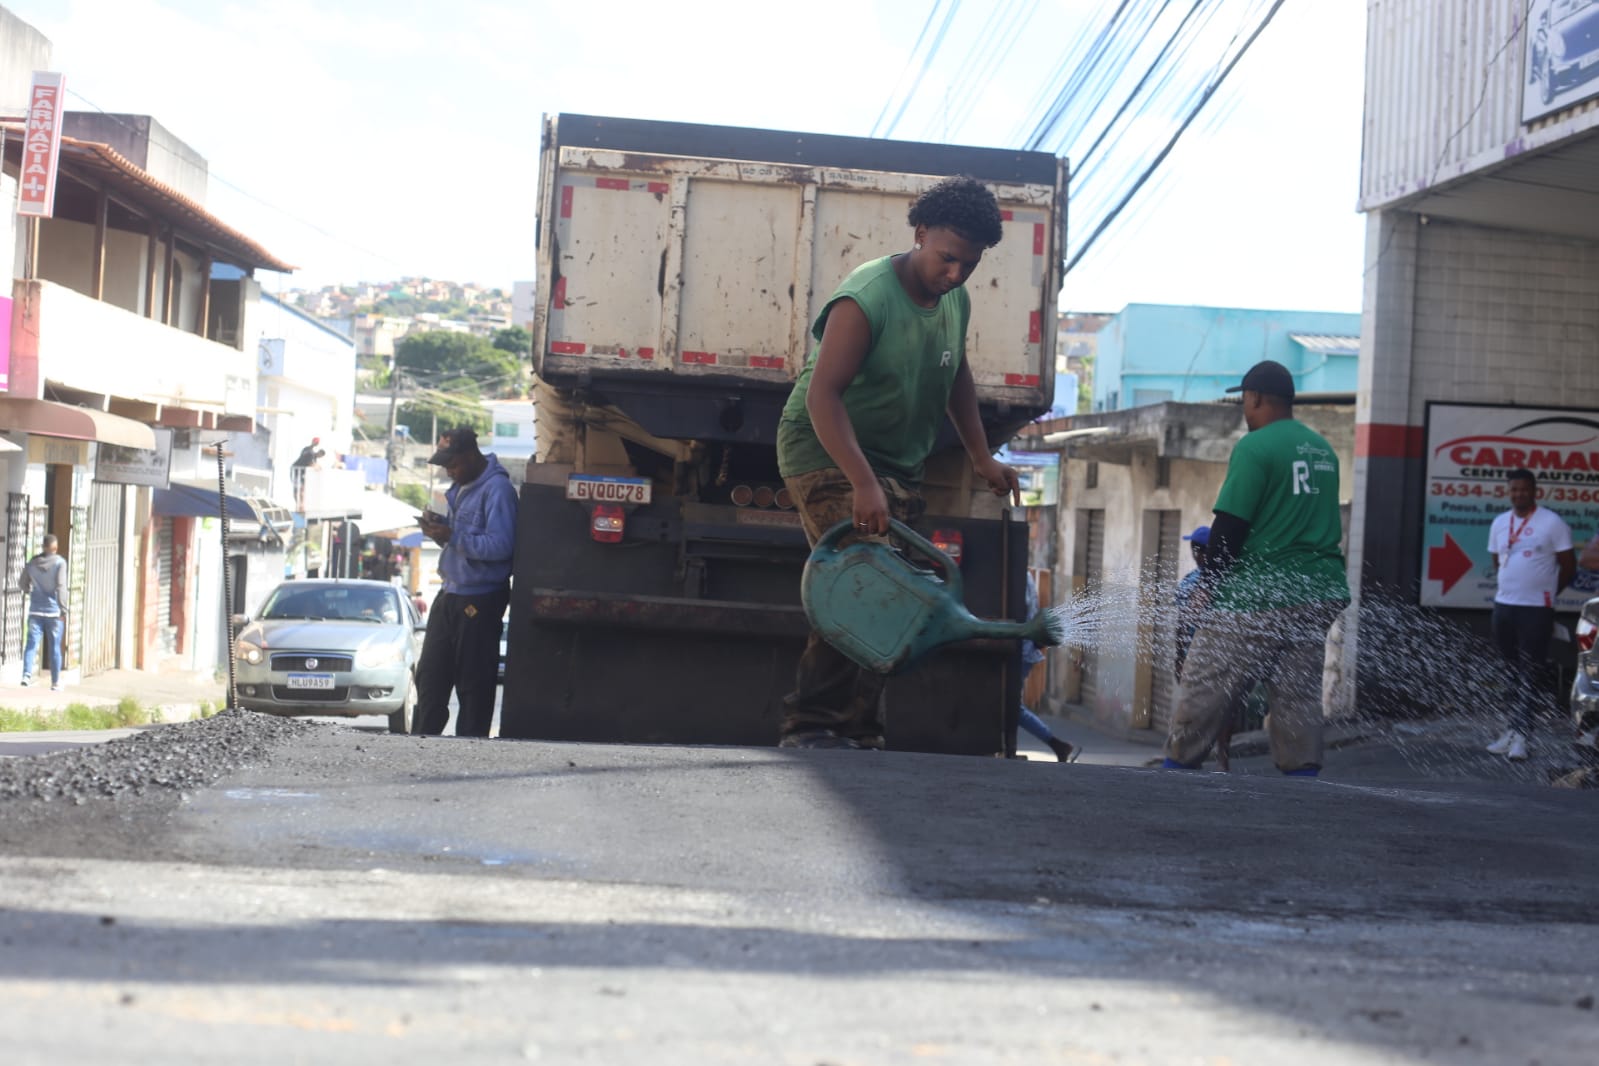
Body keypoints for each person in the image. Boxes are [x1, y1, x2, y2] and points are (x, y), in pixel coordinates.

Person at [775, 174, 1020, 750]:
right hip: (826, 452)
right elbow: (822, 397)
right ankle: (811, 725)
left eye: (969, 264)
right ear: (920, 233)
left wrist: (981, 456)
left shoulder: (954, 299)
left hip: (897, 464)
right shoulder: (867, 297)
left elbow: (954, 371)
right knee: (863, 581)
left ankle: (859, 729)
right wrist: (862, 483)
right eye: (947, 258)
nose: (955, 274)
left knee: (895, 590)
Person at [1162, 360, 1350, 776]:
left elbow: (1229, 525)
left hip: (1260, 592)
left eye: (1246, 401)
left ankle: (1176, 769)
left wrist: (1206, 587)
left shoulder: (1255, 446)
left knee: (1204, 683)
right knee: (1297, 694)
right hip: (1317, 592)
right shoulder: (1322, 450)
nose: (1245, 410)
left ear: (1256, 398)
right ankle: (1302, 780)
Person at [412, 426, 518, 737]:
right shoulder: (461, 487)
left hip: (480, 598)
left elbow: (502, 546)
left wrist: (453, 535)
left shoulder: (498, 490)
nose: (449, 471)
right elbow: (462, 540)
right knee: (430, 676)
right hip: (450, 592)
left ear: (471, 455)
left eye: (453, 464)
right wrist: (440, 530)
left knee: (473, 681)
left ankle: (470, 748)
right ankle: (420, 743)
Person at [1484, 468, 1576, 762]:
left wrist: (1547, 592)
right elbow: (1498, 561)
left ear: (1535, 491)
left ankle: (1524, 736)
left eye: (1524, 489)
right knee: (1510, 671)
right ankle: (1511, 730)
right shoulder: (1500, 523)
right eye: (1514, 489)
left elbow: (1568, 566)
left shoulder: (1552, 522)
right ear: (1508, 492)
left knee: (1530, 672)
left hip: (1536, 609)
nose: (1519, 494)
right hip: (1504, 606)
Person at [1016, 573, 1076, 762]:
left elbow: (1021, 608)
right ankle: (1057, 744)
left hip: (1021, 651)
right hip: (1024, 649)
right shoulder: (1025, 576)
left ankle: (1056, 744)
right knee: (1011, 706)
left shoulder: (1020, 577)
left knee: (1011, 706)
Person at [19, 534, 68, 691]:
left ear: (43, 546)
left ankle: (26, 675)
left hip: (35, 610)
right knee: (54, 647)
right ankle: (55, 682)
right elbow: (61, 587)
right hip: (54, 613)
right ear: (55, 548)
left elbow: (22, 583)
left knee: (31, 644)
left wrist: (31, 591)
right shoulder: (60, 563)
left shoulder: (32, 563)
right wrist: (63, 609)